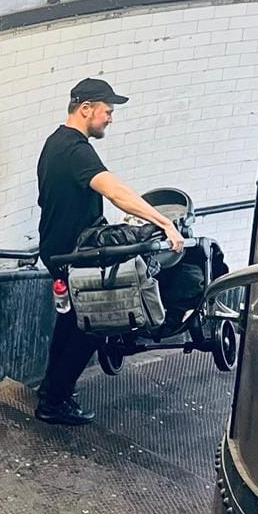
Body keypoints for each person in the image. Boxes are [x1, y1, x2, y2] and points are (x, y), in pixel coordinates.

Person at [35, 77, 184, 426]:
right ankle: (53, 403)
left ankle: (52, 391)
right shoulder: (76, 150)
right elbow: (115, 189)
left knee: (70, 324)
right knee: (93, 325)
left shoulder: (53, 143)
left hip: (58, 249)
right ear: (85, 109)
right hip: (76, 256)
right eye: (107, 111)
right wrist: (164, 222)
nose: (110, 118)